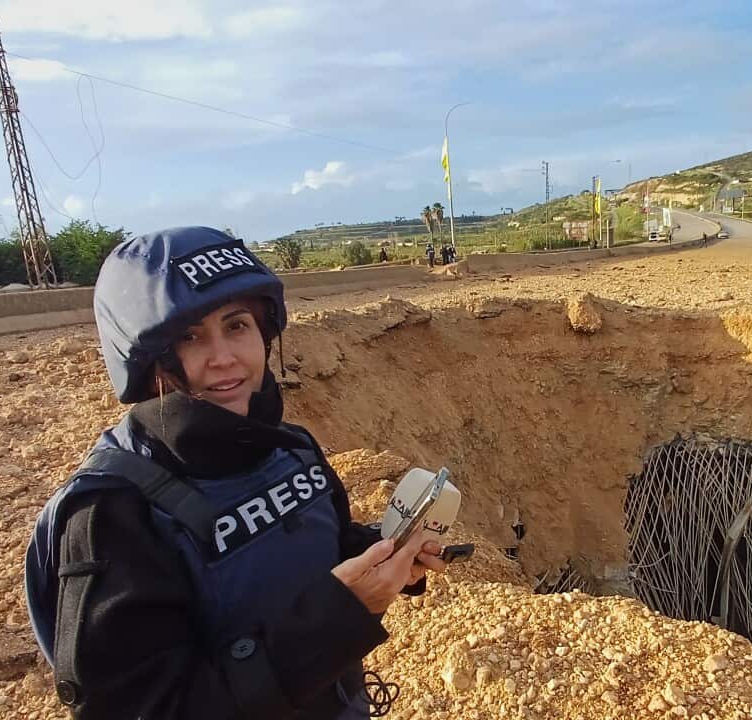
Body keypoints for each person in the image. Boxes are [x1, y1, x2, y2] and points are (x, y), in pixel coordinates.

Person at [24, 226, 446, 719]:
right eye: (190, 336)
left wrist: (385, 556)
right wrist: (340, 617)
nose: (224, 356)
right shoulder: (115, 514)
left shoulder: (292, 450)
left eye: (237, 325)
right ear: (152, 360)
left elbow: (316, 549)